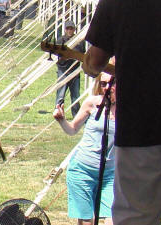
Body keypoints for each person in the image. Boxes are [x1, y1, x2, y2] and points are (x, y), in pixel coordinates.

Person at [82, 0, 161, 225]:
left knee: (137, 217)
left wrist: (88, 64)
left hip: (142, 123)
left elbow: (96, 61)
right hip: (142, 124)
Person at [54, 72, 115, 225]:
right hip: (83, 169)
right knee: (87, 221)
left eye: (112, 83)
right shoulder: (92, 103)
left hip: (110, 173)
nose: (107, 87)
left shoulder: (129, 109)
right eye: (103, 84)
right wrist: (62, 120)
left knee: (113, 219)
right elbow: (72, 130)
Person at [54, 20, 85, 118]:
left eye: (71, 28)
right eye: (68, 28)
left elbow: (82, 53)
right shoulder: (60, 40)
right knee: (60, 94)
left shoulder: (79, 41)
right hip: (63, 70)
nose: (70, 31)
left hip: (74, 71)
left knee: (75, 95)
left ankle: (76, 114)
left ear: (74, 29)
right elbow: (56, 54)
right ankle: (58, 113)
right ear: (65, 29)